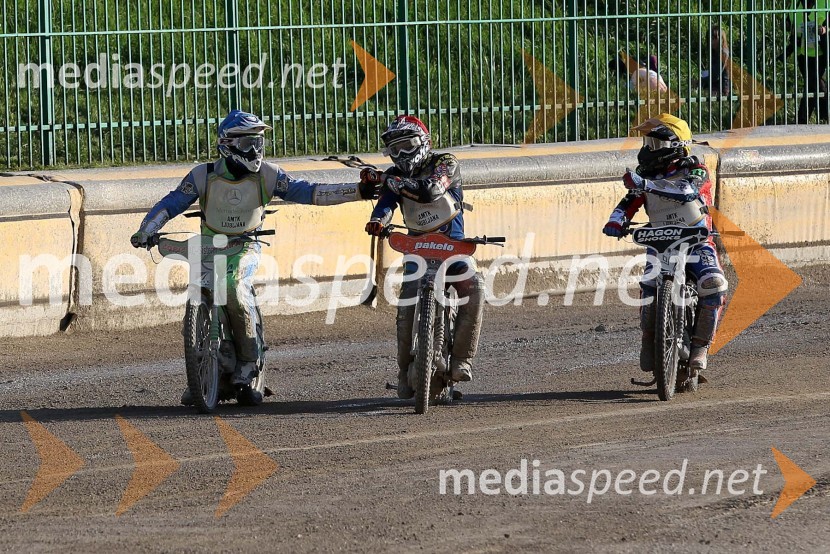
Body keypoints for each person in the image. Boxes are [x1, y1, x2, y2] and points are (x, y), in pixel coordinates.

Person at [130, 109, 380, 406]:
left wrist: (360, 191)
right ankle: (201, 375)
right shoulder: (203, 174)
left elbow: (311, 192)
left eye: (259, 142)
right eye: (248, 143)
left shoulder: (268, 175)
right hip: (208, 246)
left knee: (234, 287)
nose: (256, 150)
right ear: (228, 144)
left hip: (245, 245)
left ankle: (249, 363)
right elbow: (172, 202)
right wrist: (147, 229)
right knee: (199, 295)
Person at [361, 115, 485, 399]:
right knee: (405, 308)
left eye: (408, 146)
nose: (402, 154)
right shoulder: (395, 175)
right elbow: (386, 204)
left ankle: (462, 361)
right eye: (396, 149)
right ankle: (404, 373)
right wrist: (377, 220)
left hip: (453, 246)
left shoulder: (446, 163)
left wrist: (385, 179)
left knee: (474, 287)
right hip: (417, 248)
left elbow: (431, 190)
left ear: (424, 143)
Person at [602, 113, 728, 377]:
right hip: (661, 241)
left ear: (675, 145)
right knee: (648, 286)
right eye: (647, 142)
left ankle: (701, 347)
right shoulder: (645, 174)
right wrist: (616, 220)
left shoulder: (695, 169)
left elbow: (686, 191)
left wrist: (646, 184)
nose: (648, 149)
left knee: (713, 283)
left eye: (654, 144)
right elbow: (630, 202)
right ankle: (649, 338)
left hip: (697, 240)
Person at [782, 0, 830, 123]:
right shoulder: (795, 3)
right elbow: (789, 20)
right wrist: (787, 25)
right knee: (814, 83)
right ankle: (825, 114)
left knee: (812, 82)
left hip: (821, 52)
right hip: (802, 52)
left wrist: (825, 29)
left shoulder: (824, 3)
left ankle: (802, 118)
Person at [699, 26, 732, 98]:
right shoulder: (714, 52)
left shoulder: (723, 53)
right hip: (714, 86)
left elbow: (716, 75)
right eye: (709, 38)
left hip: (722, 89)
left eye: (714, 38)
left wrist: (700, 81)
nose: (711, 41)